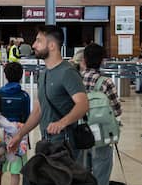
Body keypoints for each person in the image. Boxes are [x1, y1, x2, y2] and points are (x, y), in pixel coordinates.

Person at [7, 26, 89, 160]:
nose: (34, 45)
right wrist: (20, 135)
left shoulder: (67, 72)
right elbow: (38, 110)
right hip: (47, 143)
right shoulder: (44, 74)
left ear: (51, 46)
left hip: (65, 145)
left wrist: (62, 123)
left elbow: (83, 104)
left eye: (39, 41)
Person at [79, 43, 122, 185]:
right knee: (100, 183)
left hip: (80, 137)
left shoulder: (77, 80)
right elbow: (116, 110)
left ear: (84, 60)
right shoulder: (106, 83)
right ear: (102, 61)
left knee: (80, 179)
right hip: (101, 139)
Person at [0, 62, 30, 185]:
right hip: (18, 135)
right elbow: (27, 117)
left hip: (1, 134)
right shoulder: (24, 96)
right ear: (21, 75)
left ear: (5, 75)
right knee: (15, 171)